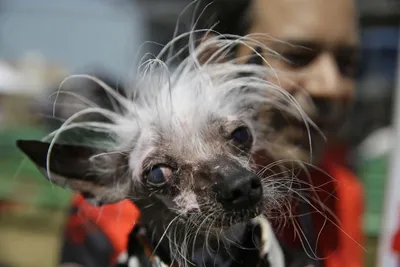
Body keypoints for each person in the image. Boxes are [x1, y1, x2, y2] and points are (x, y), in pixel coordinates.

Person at [59, 0, 364, 266]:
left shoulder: (340, 192)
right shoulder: (109, 218)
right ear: (215, 63)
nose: (330, 86)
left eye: (348, 64)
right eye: (296, 56)